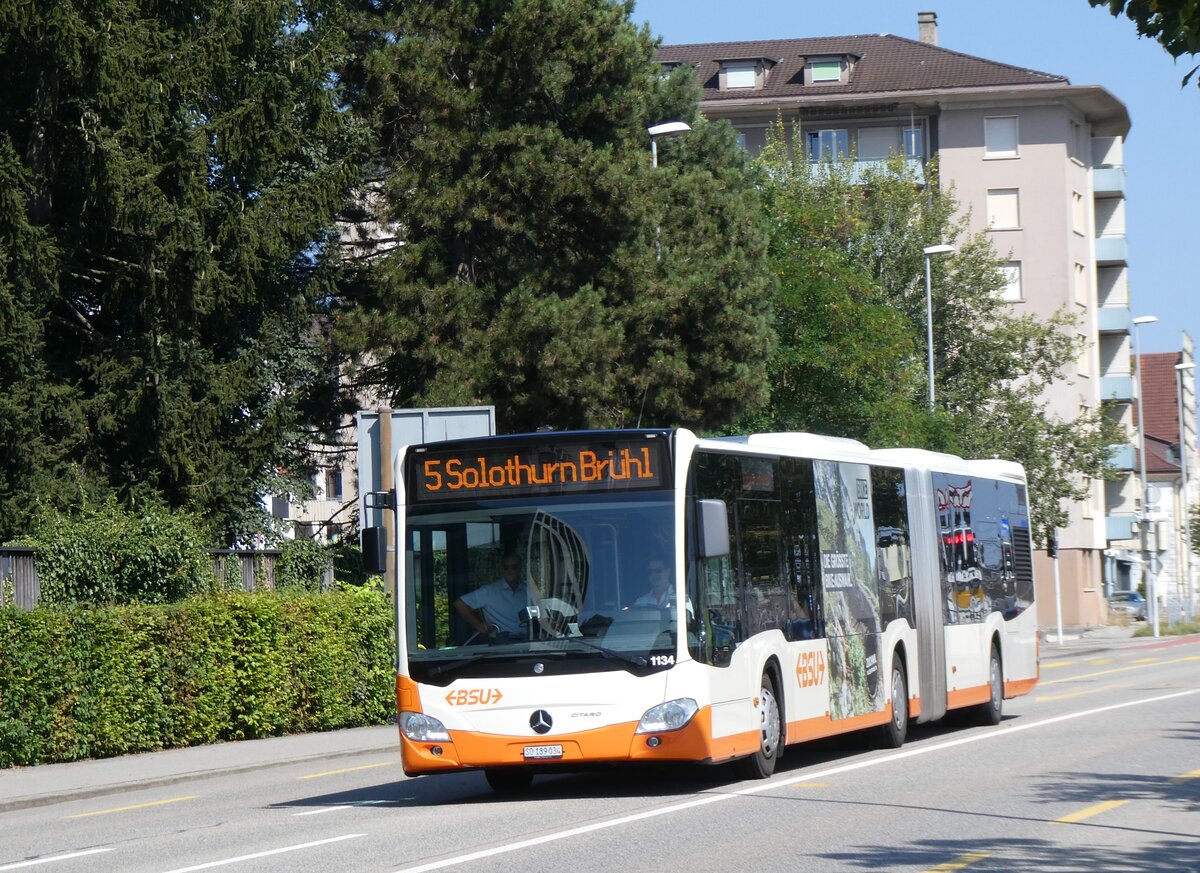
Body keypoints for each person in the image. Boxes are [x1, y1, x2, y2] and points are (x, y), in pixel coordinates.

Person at [454, 553, 537, 637]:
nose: (509, 570)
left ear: (520, 569)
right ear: (502, 570)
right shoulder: (489, 591)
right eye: (506, 567)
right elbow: (460, 604)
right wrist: (479, 625)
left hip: (527, 641)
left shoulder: (527, 591)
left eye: (514, 567)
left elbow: (539, 615)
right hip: (501, 644)